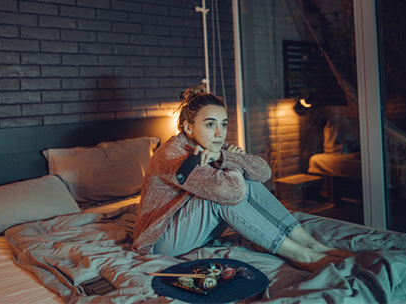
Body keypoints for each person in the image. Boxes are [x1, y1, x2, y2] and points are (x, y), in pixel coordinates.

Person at [132, 85, 352, 271]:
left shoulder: (210, 145)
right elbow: (232, 193)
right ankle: (301, 255)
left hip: (189, 230)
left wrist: (226, 157)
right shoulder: (174, 155)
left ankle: (311, 245)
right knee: (223, 194)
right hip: (159, 241)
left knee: (246, 181)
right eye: (210, 124)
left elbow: (264, 173)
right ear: (189, 127)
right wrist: (232, 164)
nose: (220, 133)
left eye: (224, 124)